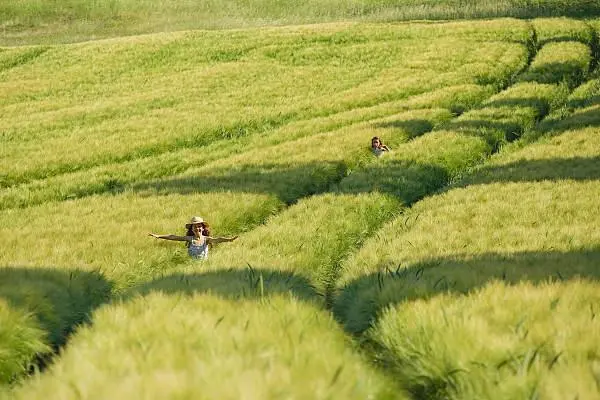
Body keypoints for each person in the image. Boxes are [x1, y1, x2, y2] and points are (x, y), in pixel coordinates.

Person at [149, 216, 238, 260]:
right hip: (191, 269)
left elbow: (218, 239)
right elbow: (173, 237)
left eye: (199, 226)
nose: (197, 228)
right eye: (194, 227)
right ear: (192, 229)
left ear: (203, 228)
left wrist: (229, 240)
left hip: (204, 270)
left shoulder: (206, 239)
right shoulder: (189, 239)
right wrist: (159, 236)